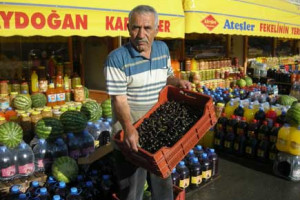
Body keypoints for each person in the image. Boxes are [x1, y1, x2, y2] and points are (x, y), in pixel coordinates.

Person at [104, 5, 191, 200]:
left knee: (163, 183)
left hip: (158, 130)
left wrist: (178, 82)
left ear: (157, 30)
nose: (141, 34)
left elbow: (167, 76)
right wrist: (128, 129)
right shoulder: (116, 59)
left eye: (147, 28)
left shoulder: (162, 49)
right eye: (135, 27)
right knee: (132, 190)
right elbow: (118, 99)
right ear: (128, 28)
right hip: (129, 136)